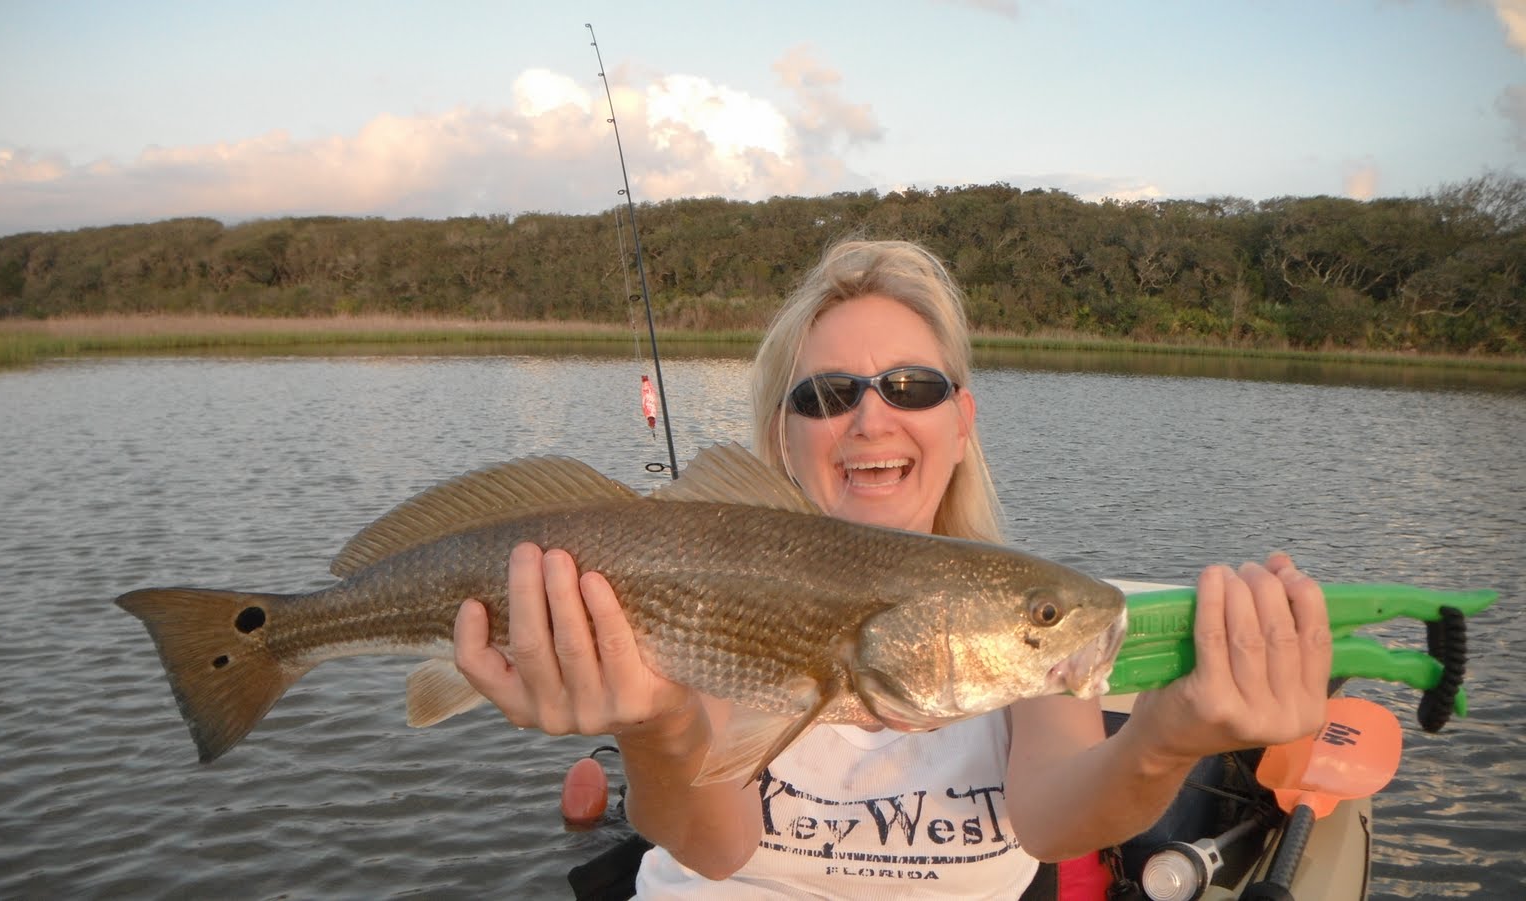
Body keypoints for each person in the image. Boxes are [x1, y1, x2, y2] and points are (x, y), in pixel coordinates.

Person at [453, 239, 1332, 898]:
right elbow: (712, 846)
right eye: (827, 395)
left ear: (962, 423)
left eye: (912, 386)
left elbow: (1057, 819)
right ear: (781, 437)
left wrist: (1166, 737)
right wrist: (654, 729)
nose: (871, 418)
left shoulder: (1016, 615)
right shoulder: (727, 580)